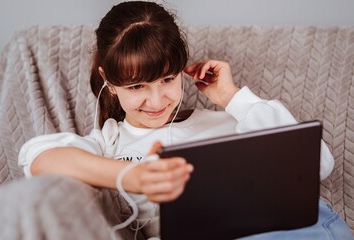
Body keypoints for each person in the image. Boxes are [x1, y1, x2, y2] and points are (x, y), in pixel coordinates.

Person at [18, 1, 353, 239]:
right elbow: (38, 159)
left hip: (304, 230)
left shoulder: (227, 122)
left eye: (168, 79)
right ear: (110, 82)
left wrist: (232, 97)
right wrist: (134, 176)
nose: (157, 100)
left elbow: (317, 165)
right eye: (137, 86)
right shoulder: (109, 143)